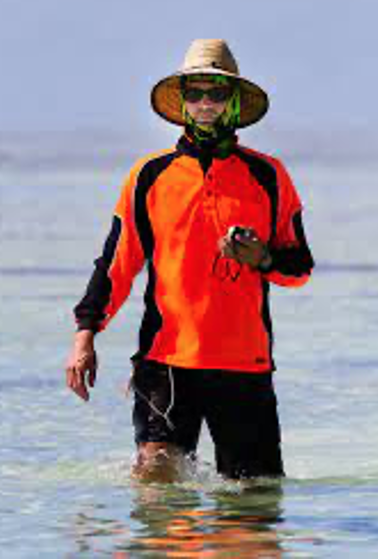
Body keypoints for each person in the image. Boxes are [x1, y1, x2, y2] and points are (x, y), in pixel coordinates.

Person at [64, 39, 314, 482]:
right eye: (194, 93)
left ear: (232, 101)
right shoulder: (150, 175)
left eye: (216, 93)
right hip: (166, 362)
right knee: (156, 489)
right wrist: (85, 335)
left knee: (253, 507)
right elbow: (116, 265)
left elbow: (299, 269)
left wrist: (263, 258)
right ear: (181, 102)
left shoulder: (268, 175)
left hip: (244, 365)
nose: (204, 104)